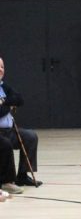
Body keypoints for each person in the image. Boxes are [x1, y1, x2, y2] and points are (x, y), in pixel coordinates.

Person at [0, 57, 42, 188]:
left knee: (30, 136)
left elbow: (19, 99)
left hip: (9, 131)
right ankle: (8, 179)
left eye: (2, 67)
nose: (0, 70)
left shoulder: (3, 86)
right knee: (5, 144)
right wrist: (9, 105)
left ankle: (22, 176)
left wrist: (4, 102)